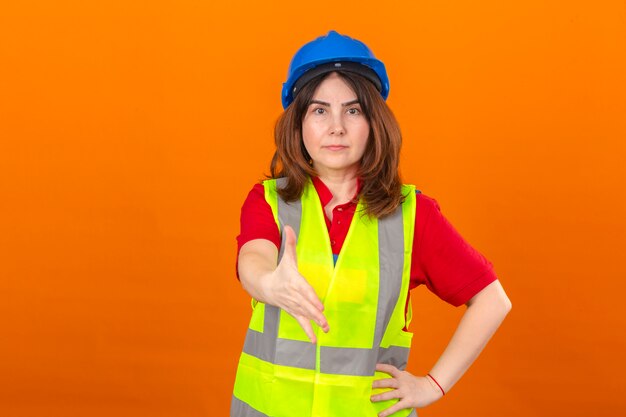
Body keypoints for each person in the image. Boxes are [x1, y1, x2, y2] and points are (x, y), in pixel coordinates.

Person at [231, 30, 512, 417]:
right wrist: (268, 283)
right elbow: (253, 258)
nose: (336, 127)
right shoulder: (269, 201)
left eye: (353, 110)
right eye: (319, 110)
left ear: (374, 122)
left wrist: (432, 385)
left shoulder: (413, 216)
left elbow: (492, 300)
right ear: (297, 124)